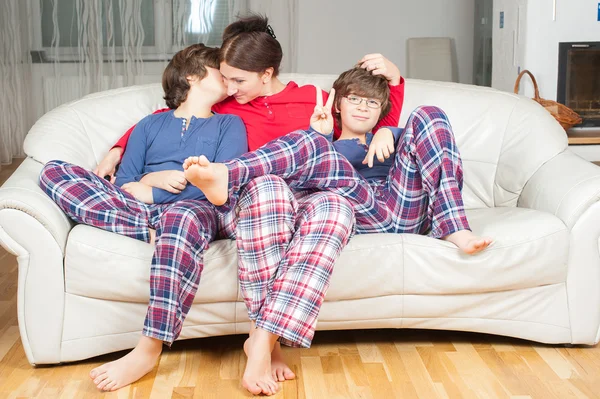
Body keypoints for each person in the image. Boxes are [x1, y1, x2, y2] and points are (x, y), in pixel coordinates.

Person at [94, 15, 405, 396]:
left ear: (266, 73)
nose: (228, 87)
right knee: (268, 188)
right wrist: (118, 147)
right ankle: (266, 343)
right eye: (224, 78)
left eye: (237, 79)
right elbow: (171, 117)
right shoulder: (229, 107)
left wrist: (391, 101)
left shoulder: (312, 97)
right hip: (258, 196)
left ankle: (263, 337)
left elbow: (363, 116)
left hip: (312, 193)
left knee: (336, 209)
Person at [39, 44, 248, 392]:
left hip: (198, 210)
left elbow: (222, 183)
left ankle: (148, 348)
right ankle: (148, 228)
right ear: (193, 76)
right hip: (138, 210)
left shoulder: (230, 124)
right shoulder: (149, 125)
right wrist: (149, 182)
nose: (227, 77)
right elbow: (123, 184)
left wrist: (153, 191)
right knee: (54, 171)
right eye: (218, 70)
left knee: (180, 216)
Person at [183, 66, 492, 254]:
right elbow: (298, 186)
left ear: (380, 110)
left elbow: (425, 140)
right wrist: (319, 136)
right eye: (354, 99)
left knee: (430, 113)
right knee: (312, 145)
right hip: (365, 211)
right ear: (339, 104)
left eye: (371, 102)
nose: (362, 108)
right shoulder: (323, 146)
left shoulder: (394, 138)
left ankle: (454, 227)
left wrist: (391, 133)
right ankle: (228, 174)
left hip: (407, 206)